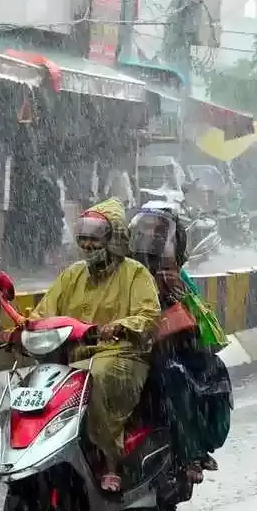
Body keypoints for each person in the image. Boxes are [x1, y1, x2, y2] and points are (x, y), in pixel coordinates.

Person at [27, 199, 162, 493]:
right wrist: (24, 329)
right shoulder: (72, 274)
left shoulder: (135, 273)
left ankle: (110, 461)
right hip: (75, 355)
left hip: (121, 355)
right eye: (83, 238)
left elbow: (148, 315)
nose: (87, 245)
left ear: (113, 240)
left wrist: (122, 326)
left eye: (94, 238)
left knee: (93, 378)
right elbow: (43, 312)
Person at [129, 207, 231, 483]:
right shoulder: (122, 271)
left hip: (165, 350)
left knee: (173, 376)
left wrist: (175, 295)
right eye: (145, 234)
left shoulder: (175, 277)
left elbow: (198, 323)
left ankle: (190, 452)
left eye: (158, 236)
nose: (150, 242)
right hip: (120, 346)